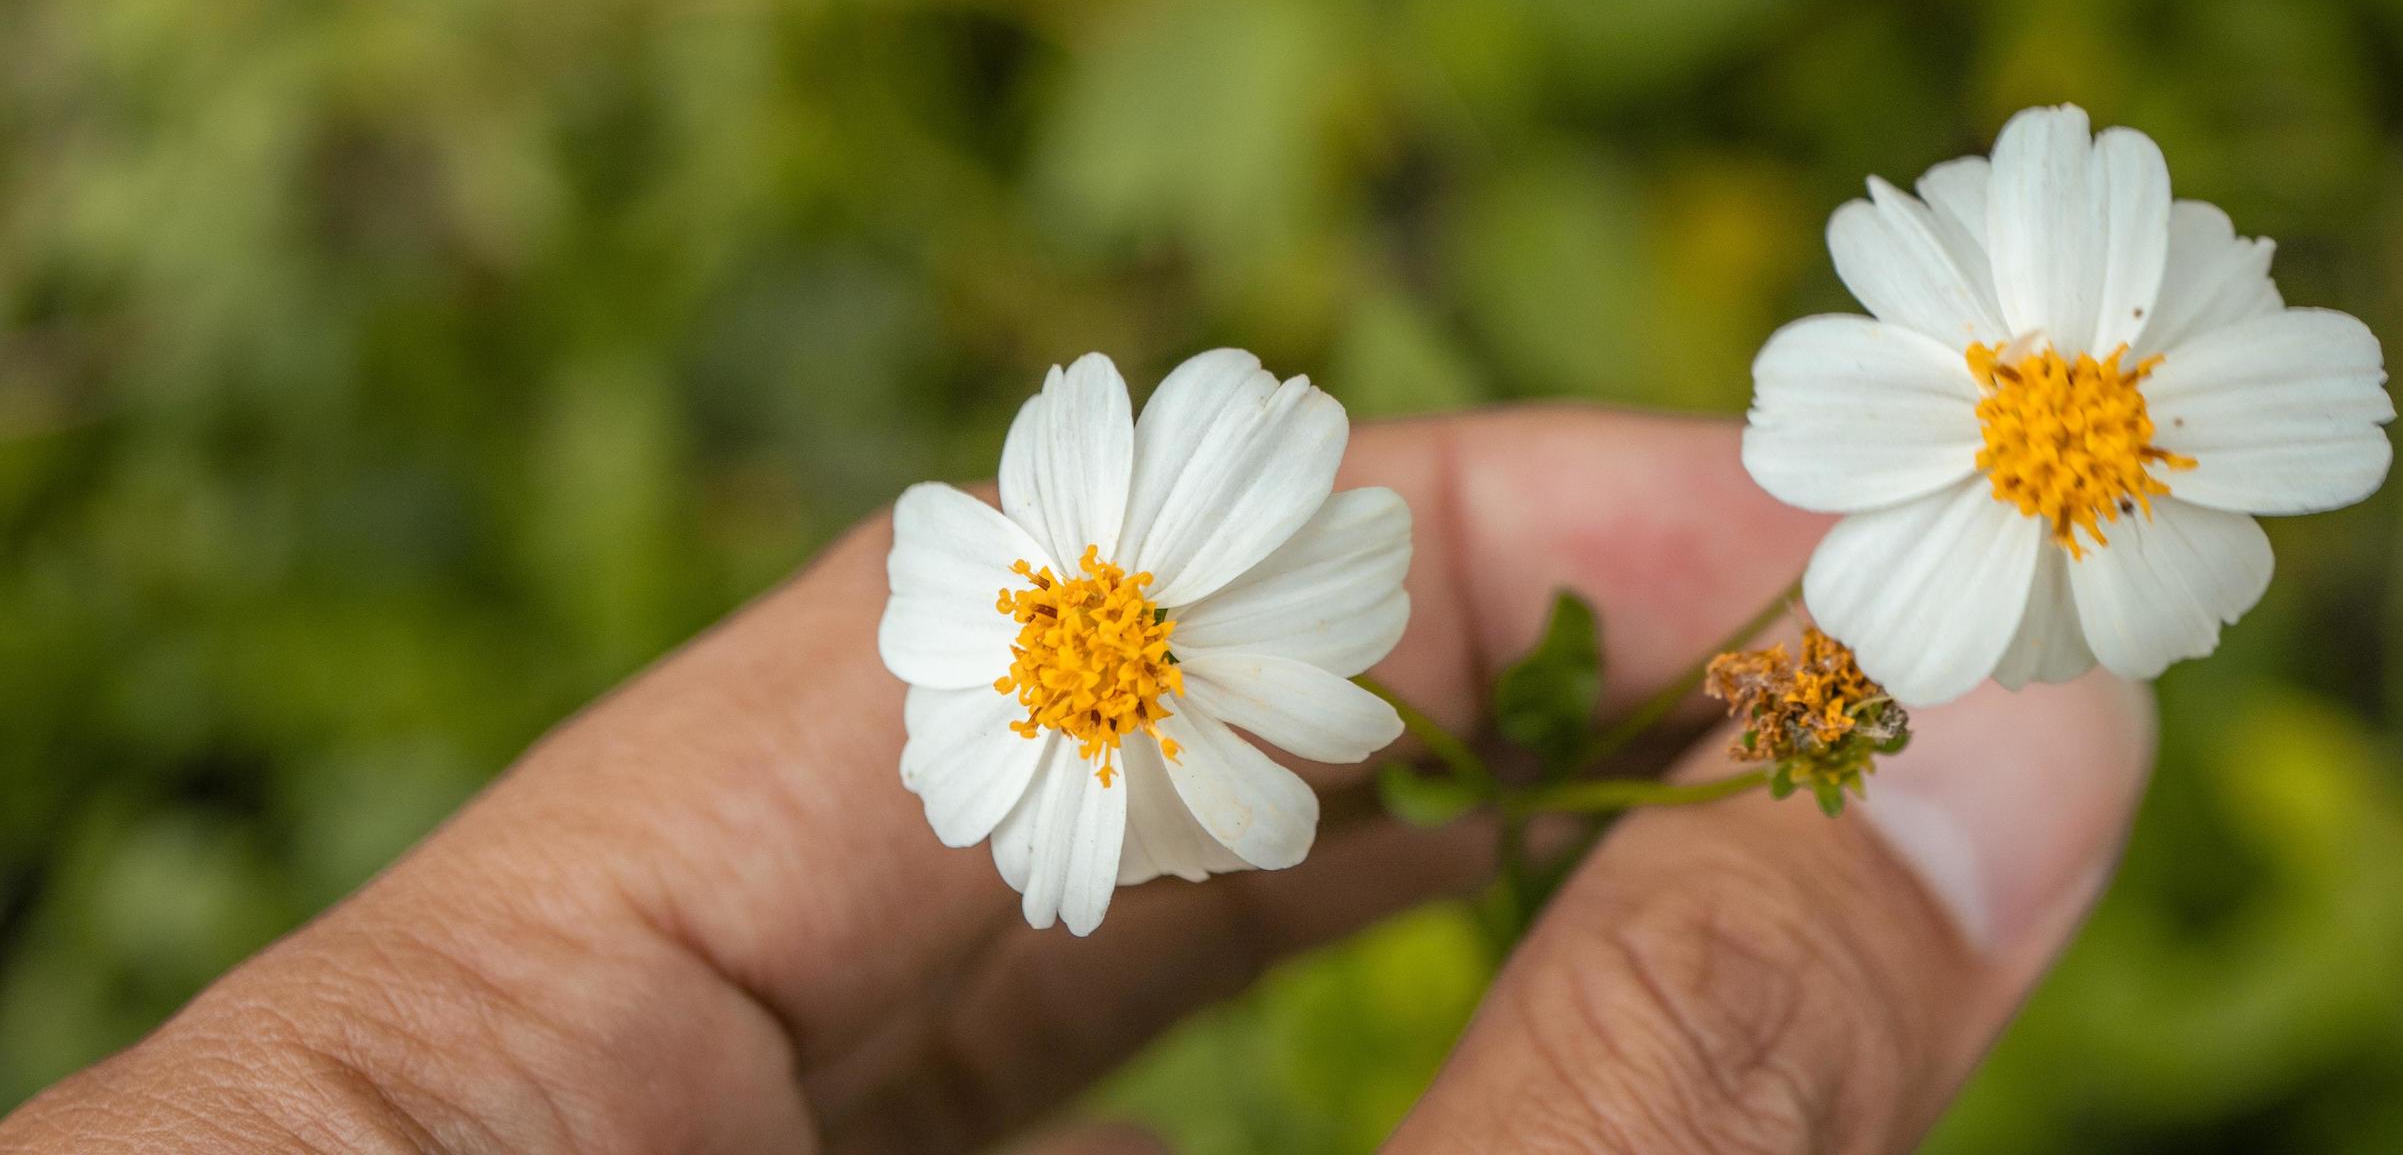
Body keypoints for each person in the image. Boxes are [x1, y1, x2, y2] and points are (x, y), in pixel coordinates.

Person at [1, 410, 2152, 1153]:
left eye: (1079, 645)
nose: (1076, 651)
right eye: (1077, 653)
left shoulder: (1113, 653)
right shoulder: (1080, 722)